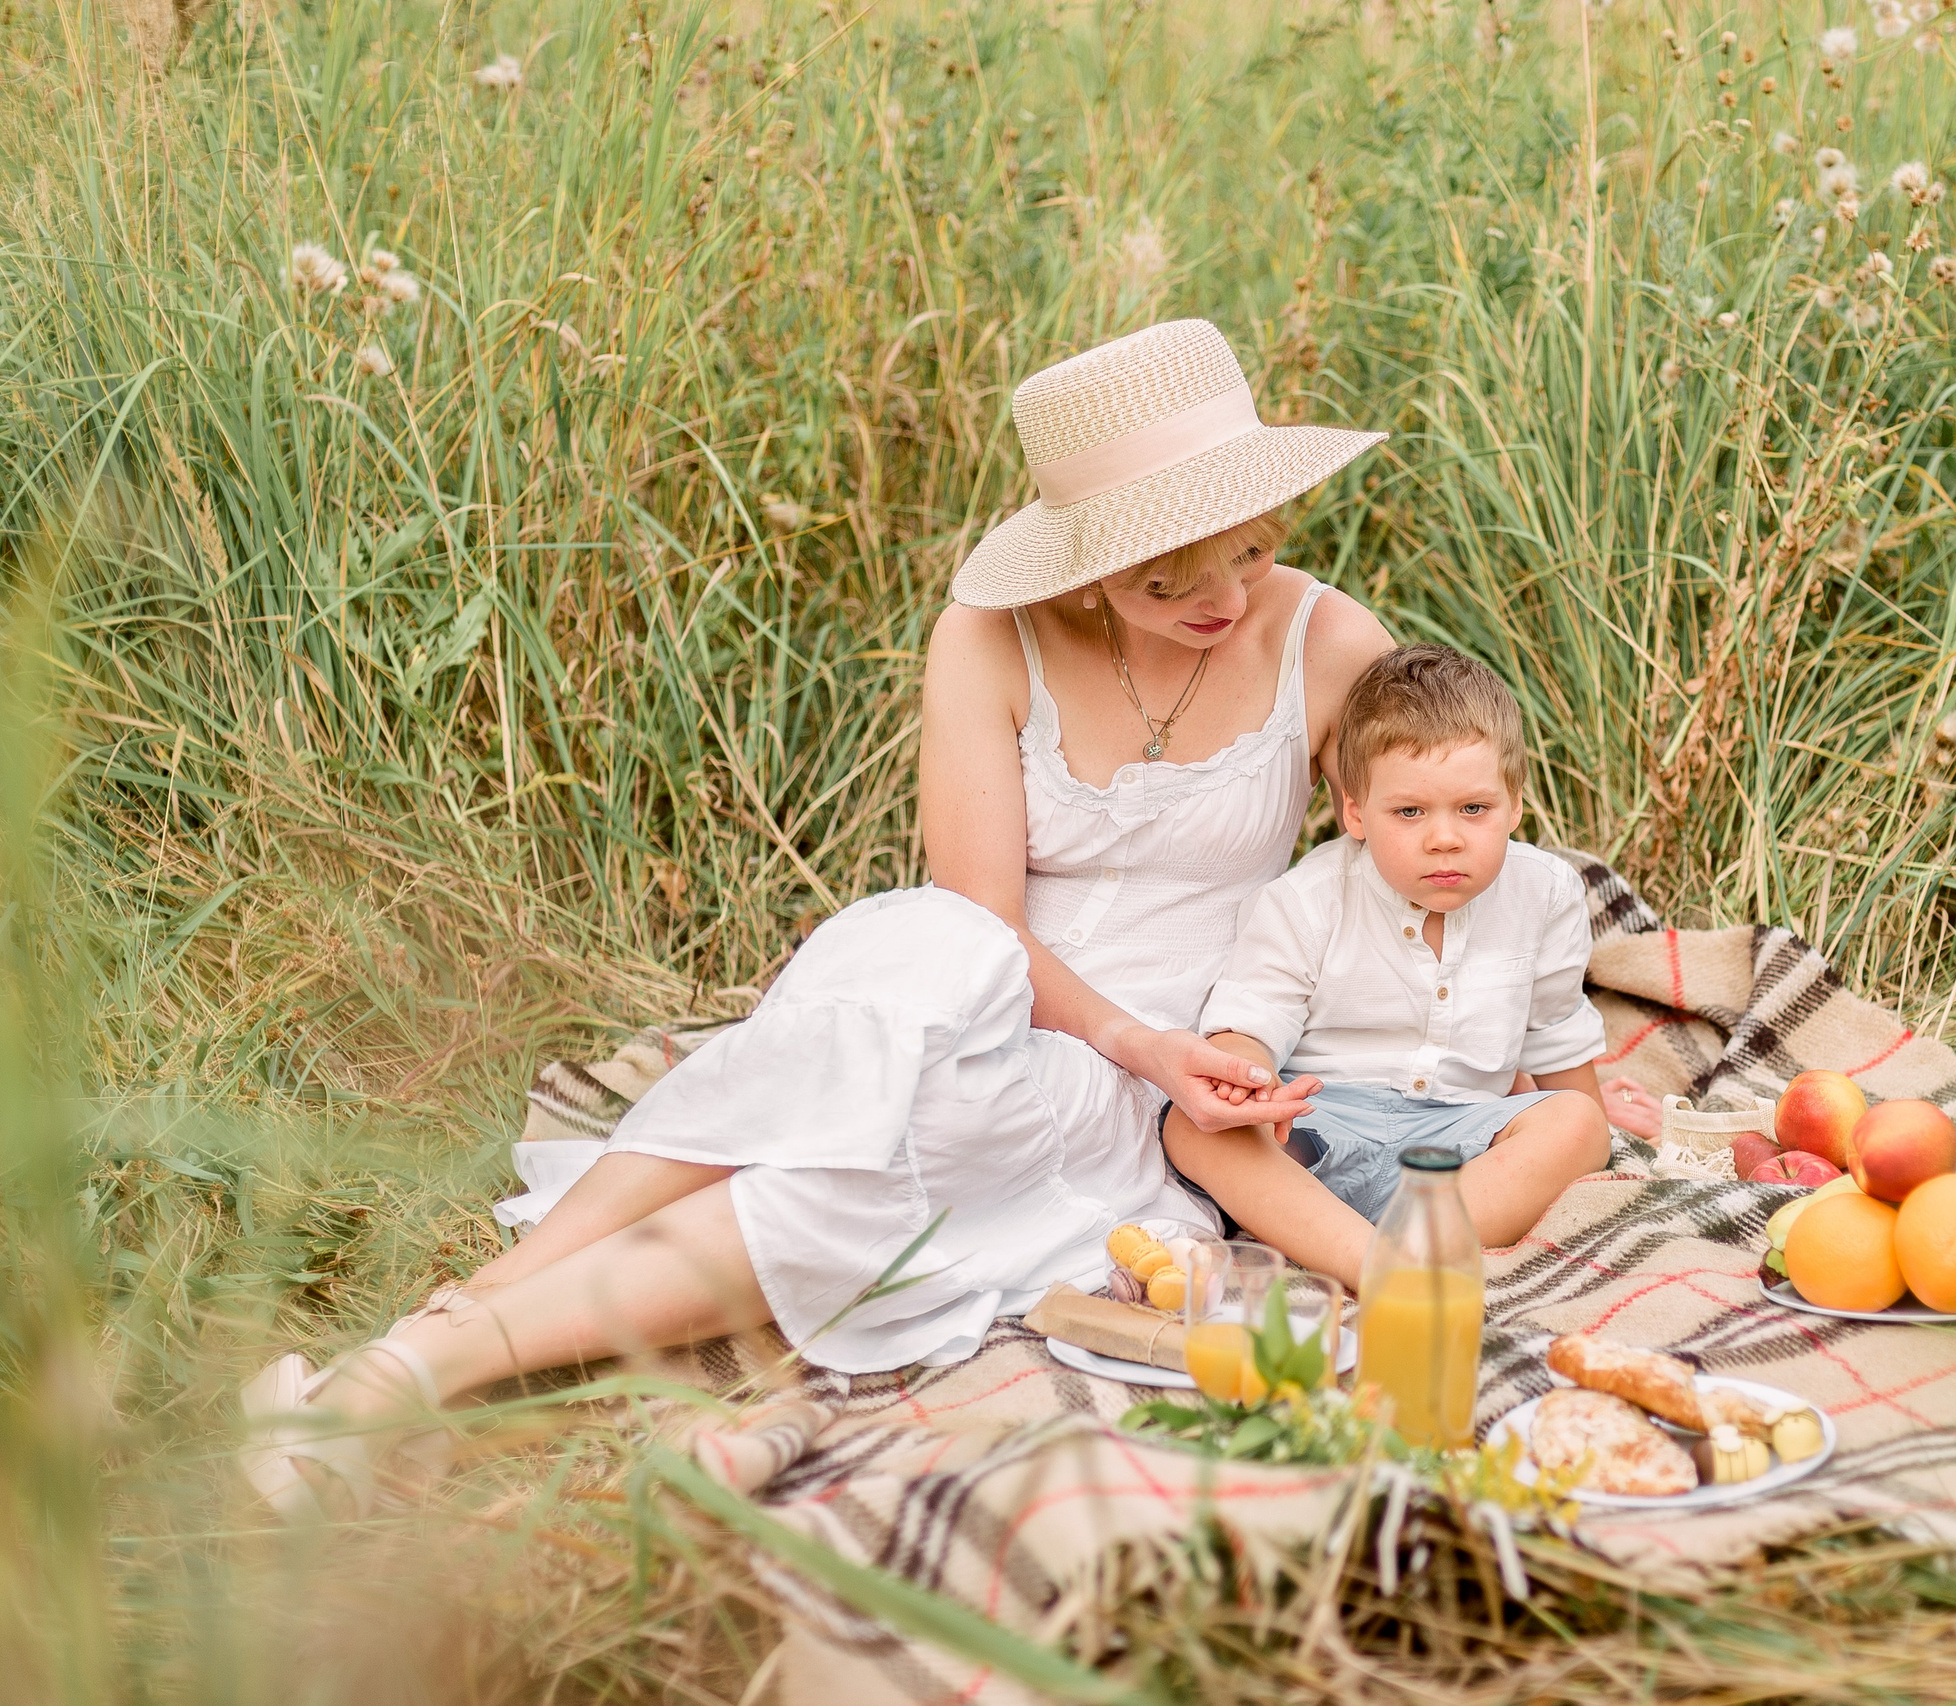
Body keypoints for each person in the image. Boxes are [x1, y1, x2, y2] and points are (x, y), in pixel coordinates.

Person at [242, 319, 1397, 1518]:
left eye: (1252, 550)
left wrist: (1333, 1045)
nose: (1225, 598)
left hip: (1149, 1064)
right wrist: (1127, 1038)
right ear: (1085, 565)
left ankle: (406, 1368)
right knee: (909, 987)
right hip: (989, 975)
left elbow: (1426, 847)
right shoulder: (991, 638)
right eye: (1166, 581)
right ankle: (480, 1303)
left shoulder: (1328, 642)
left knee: (879, 1169)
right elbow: (984, 917)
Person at [1168, 645, 1612, 1290]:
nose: (1444, 838)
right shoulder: (1308, 899)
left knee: (1578, 1124)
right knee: (1193, 1128)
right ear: (1356, 812)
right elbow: (1250, 1022)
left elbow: (1556, 1033)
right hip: (1318, 1125)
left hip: (1462, 1142)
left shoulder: (1545, 892)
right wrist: (1250, 1082)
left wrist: (1591, 1138)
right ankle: (1376, 1263)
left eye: (1474, 809)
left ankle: (1400, 1248)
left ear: (1515, 803)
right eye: (1409, 812)